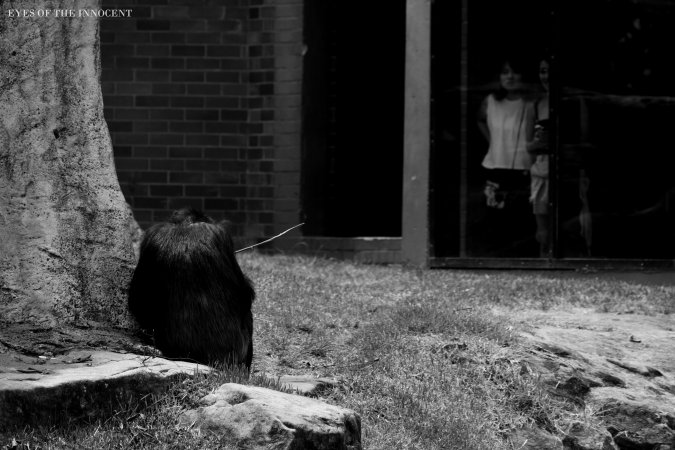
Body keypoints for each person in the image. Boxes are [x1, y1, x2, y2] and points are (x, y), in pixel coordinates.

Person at [477, 57, 536, 256]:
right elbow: (480, 121)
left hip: (523, 168)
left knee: (522, 220)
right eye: (505, 72)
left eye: (514, 71)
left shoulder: (530, 103)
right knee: (495, 220)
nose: (509, 76)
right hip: (496, 167)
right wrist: (493, 142)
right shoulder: (490, 101)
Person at [527, 57, 551, 257]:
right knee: (543, 229)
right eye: (543, 71)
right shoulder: (537, 104)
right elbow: (527, 145)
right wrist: (538, 143)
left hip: (568, 170)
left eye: (551, 71)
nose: (547, 76)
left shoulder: (576, 101)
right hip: (542, 170)